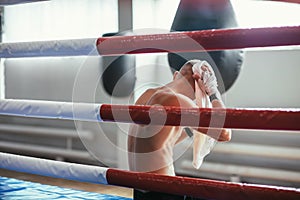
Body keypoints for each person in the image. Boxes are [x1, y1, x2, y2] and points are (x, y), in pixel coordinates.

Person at [127, 59, 231, 200]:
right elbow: (224, 134)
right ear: (199, 80)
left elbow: (158, 143)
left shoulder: (147, 94)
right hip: (164, 191)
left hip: (140, 191)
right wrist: (214, 92)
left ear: (176, 75)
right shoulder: (180, 101)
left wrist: (192, 129)